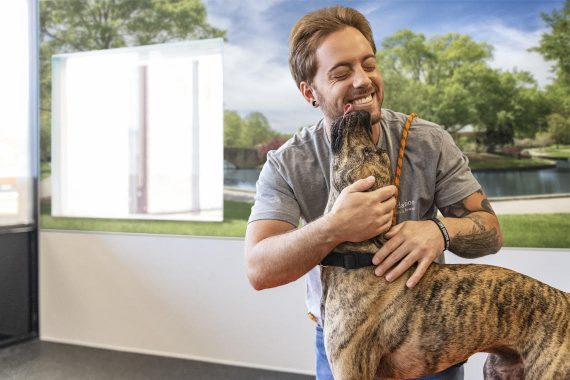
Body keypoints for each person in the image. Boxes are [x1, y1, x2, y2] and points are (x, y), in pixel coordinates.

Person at [244, 5, 503, 380]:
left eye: (369, 64)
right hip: (344, 336)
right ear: (309, 92)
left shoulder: (428, 141)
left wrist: (440, 231)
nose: (363, 80)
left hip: (426, 335)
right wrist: (334, 227)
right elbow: (258, 269)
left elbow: (491, 231)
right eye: (341, 72)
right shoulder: (288, 163)